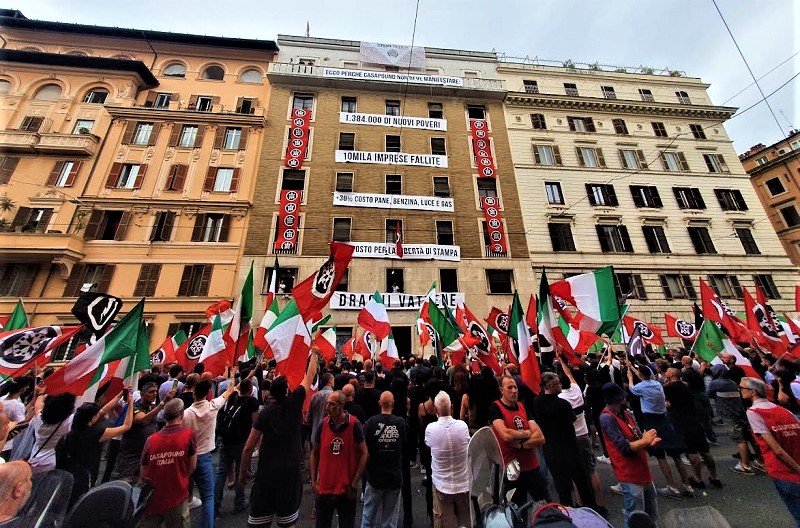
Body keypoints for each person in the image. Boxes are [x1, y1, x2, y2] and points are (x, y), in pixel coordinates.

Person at [240, 351, 318, 528]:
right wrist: (313, 354)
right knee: (288, 522)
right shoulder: (295, 403)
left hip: (266, 472)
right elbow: (310, 376)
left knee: (260, 522)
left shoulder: (265, 412)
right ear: (287, 390)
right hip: (289, 472)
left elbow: (248, 447)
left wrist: (243, 473)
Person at [626, 362, 693, 499]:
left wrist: (630, 377)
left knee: (660, 455)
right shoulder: (657, 384)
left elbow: (633, 388)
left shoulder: (640, 387)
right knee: (675, 454)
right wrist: (632, 367)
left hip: (651, 420)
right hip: (664, 419)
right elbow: (644, 376)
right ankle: (687, 485)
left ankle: (672, 487)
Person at [534, 372, 599, 511]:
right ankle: (589, 511)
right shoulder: (563, 404)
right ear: (551, 386)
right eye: (558, 383)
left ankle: (568, 512)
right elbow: (572, 418)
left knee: (562, 487)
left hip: (551, 450)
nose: (560, 385)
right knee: (582, 483)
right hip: (570, 448)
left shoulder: (537, 402)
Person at [599, 382, 661, 528]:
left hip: (642, 469)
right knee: (634, 515)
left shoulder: (626, 414)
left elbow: (637, 436)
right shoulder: (607, 418)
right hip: (628, 472)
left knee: (650, 512)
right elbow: (624, 447)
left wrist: (647, 442)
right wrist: (645, 441)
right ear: (618, 400)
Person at [740, 377, 800, 524]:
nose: (740, 390)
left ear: (753, 392)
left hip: (783, 470)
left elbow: (777, 450)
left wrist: (798, 469)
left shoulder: (754, 412)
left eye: (742, 388)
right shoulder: (784, 410)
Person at [56, 390, 134, 502]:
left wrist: (119, 395)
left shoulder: (72, 429)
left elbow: (101, 411)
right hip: (85, 477)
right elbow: (126, 426)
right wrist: (131, 403)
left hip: (67, 475)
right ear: (92, 418)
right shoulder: (97, 433)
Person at [182, 370, 235, 528]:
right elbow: (229, 391)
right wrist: (232, 374)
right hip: (204, 457)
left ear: (193, 394)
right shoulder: (213, 407)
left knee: (183, 495)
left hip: (187, 457)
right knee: (208, 497)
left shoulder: (185, 414)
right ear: (208, 393)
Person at [310, 390, 368, 528]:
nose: (327, 407)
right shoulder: (323, 424)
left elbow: (364, 453)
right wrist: (313, 482)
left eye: (332, 404)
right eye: (327, 404)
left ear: (341, 406)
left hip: (346, 489)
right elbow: (314, 452)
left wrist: (354, 483)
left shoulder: (354, 424)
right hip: (324, 488)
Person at [490, 375, 547, 506]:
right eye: (509, 387)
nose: (514, 391)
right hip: (512, 469)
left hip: (532, 466)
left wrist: (521, 445)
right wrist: (527, 433)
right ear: (501, 390)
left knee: (544, 505)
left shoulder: (522, 406)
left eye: (515, 387)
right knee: (518, 509)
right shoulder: (496, 408)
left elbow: (540, 436)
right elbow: (506, 435)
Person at [140, 399, 197, 528]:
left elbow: (143, 472)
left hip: (152, 498)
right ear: (181, 414)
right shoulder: (188, 435)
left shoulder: (150, 440)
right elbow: (192, 466)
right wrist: (180, 476)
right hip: (177, 495)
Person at [662, 368, 721, 489]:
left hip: (682, 422)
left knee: (692, 452)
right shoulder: (686, 386)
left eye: (667, 371)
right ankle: (714, 476)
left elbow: (667, 403)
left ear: (672, 374)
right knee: (704, 450)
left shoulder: (669, 388)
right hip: (694, 419)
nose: (665, 373)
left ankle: (698, 478)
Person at [424, 391, 470, 528]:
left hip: (442, 485)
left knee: (444, 521)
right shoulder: (463, 426)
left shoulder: (431, 429)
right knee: (466, 520)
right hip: (463, 483)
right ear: (451, 408)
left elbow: (428, 444)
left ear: (435, 410)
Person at [214, 377, 258, 516]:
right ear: (251, 390)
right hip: (241, 442)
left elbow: (231, 389)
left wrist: (232, 375)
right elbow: (256, 422)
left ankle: (215, 505)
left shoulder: (232, 398)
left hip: (226, 440)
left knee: (221, 473)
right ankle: (239, 502)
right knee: (240, 471)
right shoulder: (252, 402)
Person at [362, 391, 406, 528]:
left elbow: (364, 449)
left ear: (379, 403)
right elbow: (404, 445)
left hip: (375, 476)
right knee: (389, 522)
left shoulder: (371, 422)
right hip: (394, 476)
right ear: (393, 404)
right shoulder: (400, 423)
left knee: (368, 517)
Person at [112, 382, 166, 481]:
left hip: (146, 457)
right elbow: (142, 419)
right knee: (125, 485)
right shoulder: (134, 407)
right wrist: (162, 404)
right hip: (130, 458)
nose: (154, 394)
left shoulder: (151, 408)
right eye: (151, 392)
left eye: (155, 392)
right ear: (142, 394)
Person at [29, 392, 76, 474]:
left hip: (34, 457)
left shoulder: (39, 418)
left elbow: (38, 406)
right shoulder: (68, 422)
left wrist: (40, 394)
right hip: (51, 460)